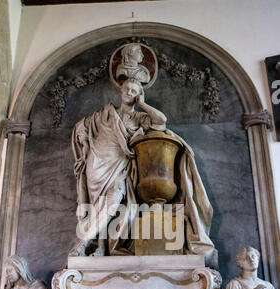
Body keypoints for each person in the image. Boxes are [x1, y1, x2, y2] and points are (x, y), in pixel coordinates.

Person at [70, 77, 215, 261]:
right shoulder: (104, 113)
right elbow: (81, 127)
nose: (128, 93)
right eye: (126, 89)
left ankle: (82, 243)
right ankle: (100, 248)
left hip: (120, 164)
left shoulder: (140, 118)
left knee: (112, 202)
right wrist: (83, 138)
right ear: (120, 91)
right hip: (97, 163)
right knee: (99, 206)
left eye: (133, 91)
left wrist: (143, 104)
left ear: (139, 94)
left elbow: (161, 120)